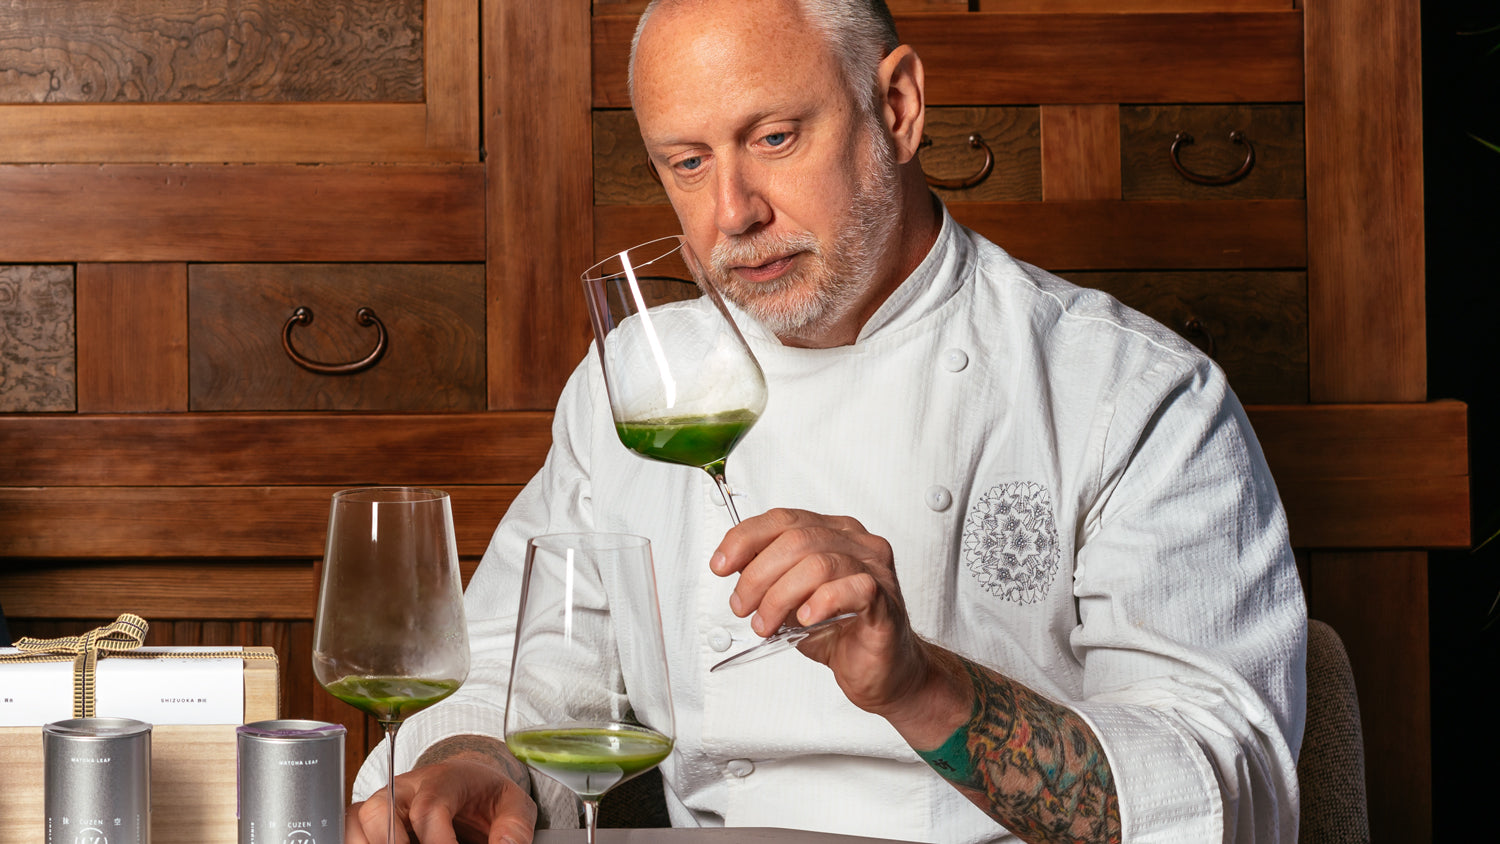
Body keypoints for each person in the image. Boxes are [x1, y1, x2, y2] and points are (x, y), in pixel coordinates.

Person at [346, 1, 1307, 842]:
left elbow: (1231, 793)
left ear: (897, 108)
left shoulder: (1130, 393)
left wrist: (922, 686)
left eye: (773, 138)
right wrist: (478, 760)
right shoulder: (636, 384)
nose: (732, 213)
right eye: (687, 162)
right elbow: (529, 656)